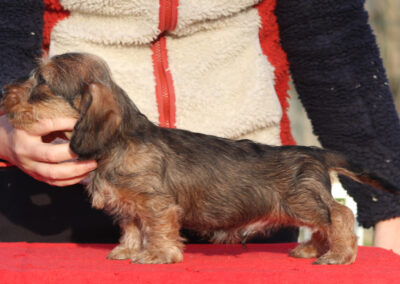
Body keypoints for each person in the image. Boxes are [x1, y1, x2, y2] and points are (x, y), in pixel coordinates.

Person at [0, 0, 399, 252]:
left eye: (41, 84)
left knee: (303, 207)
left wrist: (391, 209)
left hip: (243, 179)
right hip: (39, 199)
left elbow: (333, 41)